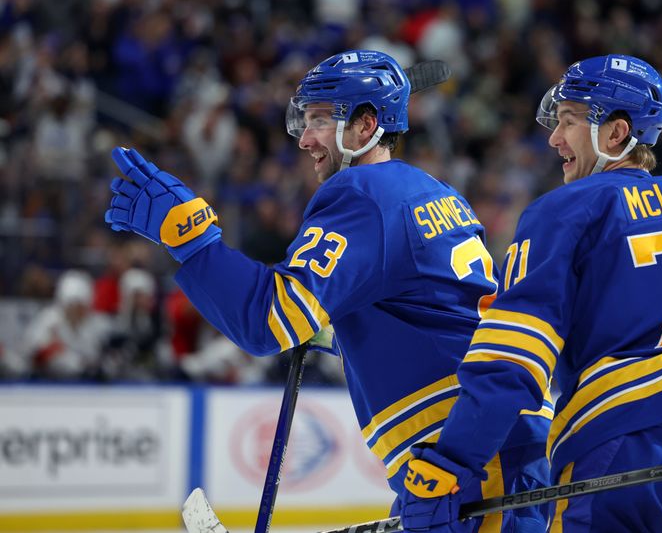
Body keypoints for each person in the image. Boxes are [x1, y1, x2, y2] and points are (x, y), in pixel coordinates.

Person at [105, 50, 551, 532]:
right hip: (493, 445)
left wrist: (191, 239)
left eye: (319, 119)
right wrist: (332, 329)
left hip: (464, 459)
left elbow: (269, 320)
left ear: (365, 126)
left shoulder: (361, 192)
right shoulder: (435, 193)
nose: (304, 138)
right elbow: (425, 314)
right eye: (304, 119)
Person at [396, 54, 662, 532]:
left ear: (616, 134)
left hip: (621, 454)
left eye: (569, 121)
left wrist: (452, 462)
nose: (553, 137)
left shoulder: (564, 210)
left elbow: (513, 357)